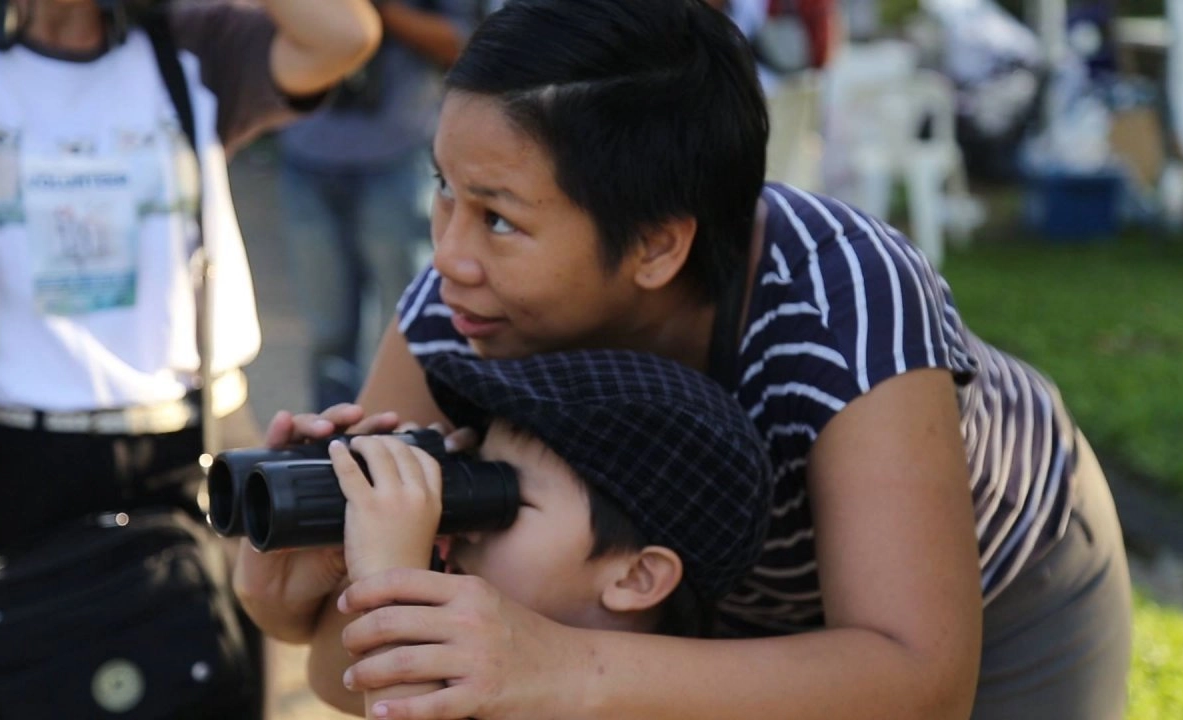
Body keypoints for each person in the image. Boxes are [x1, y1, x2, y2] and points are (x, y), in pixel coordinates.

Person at [235, 1, 1133, 719]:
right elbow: (349, 671)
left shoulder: (840, 300)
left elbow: (916, 680)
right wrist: (293, 598)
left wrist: (562, 667)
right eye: (444, 191)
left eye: (500, 216)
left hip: (995, 588)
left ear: (658, 245)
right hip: (670, 604)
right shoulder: (463, 308)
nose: (451, 257)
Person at [0, 0, 379, 717]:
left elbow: (345, 34)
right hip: (12, 461)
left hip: (191, 448)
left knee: (208, 681)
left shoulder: (189, 44)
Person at [327, 348, 773, 716]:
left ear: (636, 578)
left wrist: (391, 577)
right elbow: (329, 679)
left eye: (507, 498)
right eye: (477, 474)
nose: (470, 530)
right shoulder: (494, 673)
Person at [277, 0, 478, 410]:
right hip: (307, 157)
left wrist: (379, 12)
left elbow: (464, 43)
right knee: (328, 333)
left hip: (398, 158)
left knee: (413, 323)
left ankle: (409, 437)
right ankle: (328, 452)